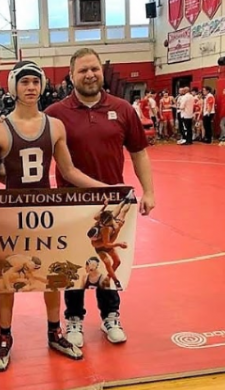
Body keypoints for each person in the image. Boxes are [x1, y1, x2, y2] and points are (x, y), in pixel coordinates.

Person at [0, 60, 109, 372]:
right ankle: (4, 337)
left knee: (52, 276)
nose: (31, 88)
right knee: (6, 280)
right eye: (24, 82)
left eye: (35, 82)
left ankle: (55, 331)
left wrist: (108, 188)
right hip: (12, 214)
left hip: (45, 211)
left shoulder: (55, 126)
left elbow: (69, 171)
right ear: (14, 87)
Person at [44, 48, 155, 347]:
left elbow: (139, 153)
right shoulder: (55, 114)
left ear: (101, 72)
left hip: (111, 205)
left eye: (94, 69)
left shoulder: (122, 109)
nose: (90, 74)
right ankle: (74, 319)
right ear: (71, 75)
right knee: (72, 265)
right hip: (70, 205)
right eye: (83, 70)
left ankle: (110, 316)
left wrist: (149, 191)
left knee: (107, 260)